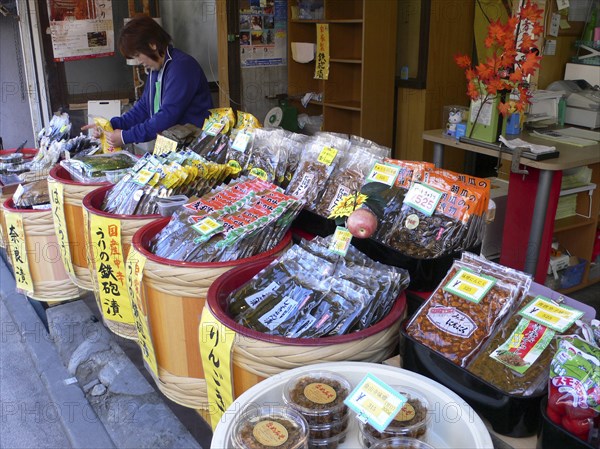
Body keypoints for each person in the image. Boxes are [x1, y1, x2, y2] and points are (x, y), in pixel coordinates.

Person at [83, 16, 213, 147]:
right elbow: (143, 108)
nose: (139, 61)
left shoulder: (182, 67)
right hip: (173, 146)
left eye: (138, 55)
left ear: (152, 44)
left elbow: (167, 116)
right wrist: (110, 125)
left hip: (195, 146)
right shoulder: (156, 69)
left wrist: (125, 136)